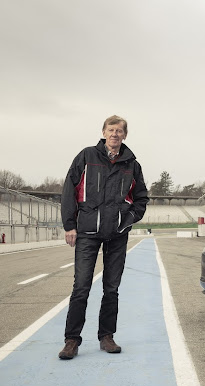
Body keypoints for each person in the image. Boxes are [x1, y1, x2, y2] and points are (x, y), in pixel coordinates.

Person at [58, 115, 149, 360]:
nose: (115, 134)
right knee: (81, 287)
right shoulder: (86, 156)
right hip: (87, 232)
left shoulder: (132, 164)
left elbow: (141, 199)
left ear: (125, 135)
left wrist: (126, 220)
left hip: (117, 234)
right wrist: (70, 225)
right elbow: (69, 190)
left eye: (119, 131)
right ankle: (72, 340)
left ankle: (106, 336)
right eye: (111, 130)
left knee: (112, 288)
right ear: (103, 132)